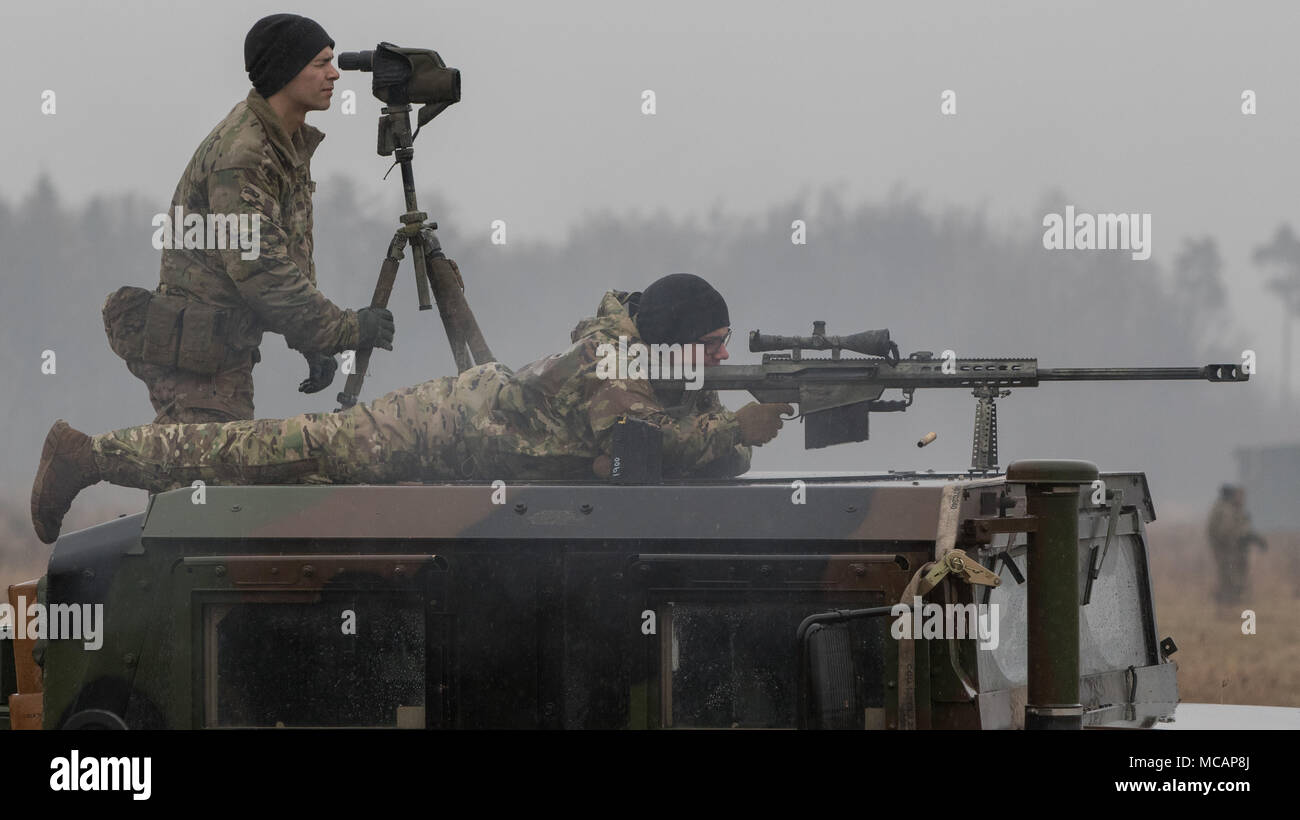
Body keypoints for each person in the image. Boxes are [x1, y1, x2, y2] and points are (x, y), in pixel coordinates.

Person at [34, 274, 793, 544]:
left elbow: (648, 452)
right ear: (675, 338)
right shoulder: (616, 358)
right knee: (283, 450)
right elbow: (639, 463)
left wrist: (721, 438)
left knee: (286, 486)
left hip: (470, 438)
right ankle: (90, 456)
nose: (722, 360)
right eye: (714, 344)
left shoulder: (650, 361)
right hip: (435, 433)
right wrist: (732, 429)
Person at [103, 13, 395, 424]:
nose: (335, 74)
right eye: (320, 63)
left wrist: (309, 338)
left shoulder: (282, 141)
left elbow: (286, 249)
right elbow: (260, 270)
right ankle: (85, 455)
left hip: (220, 351)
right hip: (197, 360)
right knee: (206, 475)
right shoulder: (245, 154)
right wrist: (342, 330)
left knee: (206, 475)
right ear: (285, 72)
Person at [1206, 484, 1267, 605]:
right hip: (1228, 550)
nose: (1242, 499)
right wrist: (1244, 537)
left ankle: (1230, 601)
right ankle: (1228, 602)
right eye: (1239, 496)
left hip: (1232, 549)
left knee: (1231, 575)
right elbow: (1227, 531)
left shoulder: (1230, 509)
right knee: (1229, 576)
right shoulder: (1225, 510)